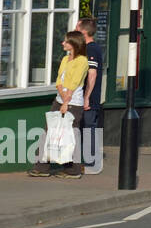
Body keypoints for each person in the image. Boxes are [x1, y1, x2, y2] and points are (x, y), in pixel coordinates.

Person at [29, 32, 89, 178]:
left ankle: (73, 170)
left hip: (73, 103)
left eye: (66, 41)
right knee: (48, 132)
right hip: (59, 100)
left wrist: (66, 103)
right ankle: (42, 167)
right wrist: (62, 98)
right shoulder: (64, 59)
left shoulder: (82, 61)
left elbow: (74, 83)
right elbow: (59, 81)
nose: (63, 43)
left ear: (74, 44)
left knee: (69, 136)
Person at [78, 17, 105, 175]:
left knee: (89, 128)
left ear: (84, 31)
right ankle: (86, 161)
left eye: (77, 27)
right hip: (84, 97)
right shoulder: (87, 48)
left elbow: (92, 74)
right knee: (85, 129)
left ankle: (91, 163)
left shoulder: (91, 49)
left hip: (89, 98)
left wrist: (87, 97)